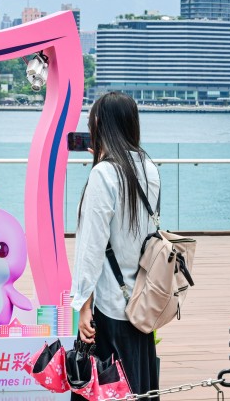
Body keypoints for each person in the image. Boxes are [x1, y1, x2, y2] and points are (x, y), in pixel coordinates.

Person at [70, 91, 161, 399]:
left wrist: (82, 304)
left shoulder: (104, 174)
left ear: (100, 124)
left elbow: (90, 247)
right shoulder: (148, 167)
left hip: (110, 305)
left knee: (103, 388)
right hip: (142, 303)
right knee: (138, 386)